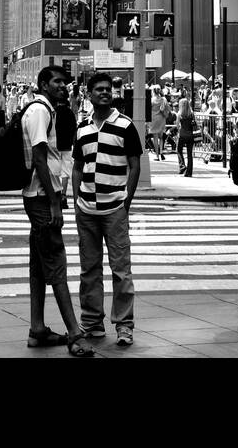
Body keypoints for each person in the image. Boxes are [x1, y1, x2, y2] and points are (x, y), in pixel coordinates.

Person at [21, 66, 94, 357]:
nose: (63, 86)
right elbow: (40, 158)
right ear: (43, 84)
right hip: (41, 198)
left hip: (37, 195)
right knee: (56, 265)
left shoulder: (43, 109)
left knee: (39, 267)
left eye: (65, 82)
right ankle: (76, 334)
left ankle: (37, 329)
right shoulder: (40, 111)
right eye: (57, 82)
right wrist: (54, 203)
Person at [72, 72, 142, 347]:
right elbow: (78, 165)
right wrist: (77, 197)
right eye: (98, 89)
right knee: (89, 269)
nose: (104, 92)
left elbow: (134, 165)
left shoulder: (125, 126)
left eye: (107, 89)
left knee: (121, 270)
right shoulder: (83, 128)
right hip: (86, 210)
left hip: (115, 209)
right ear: (89, 94)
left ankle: (124, 325)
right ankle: (91, 323)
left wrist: (127, 202)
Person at [55, 92, 78, 208]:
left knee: (54, 170)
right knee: (65, 171)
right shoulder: (70, 113)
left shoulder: (54, 112)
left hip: (55, 145)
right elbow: (74, 129)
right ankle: (63, 195)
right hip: (67, 146)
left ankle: (56, 194)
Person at [149, 83, 168, 161]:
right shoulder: (163, 99)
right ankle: (161, 152)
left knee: (155, 138)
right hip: (161, 118)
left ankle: (157, 155)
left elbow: (149, 109)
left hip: (154, 118)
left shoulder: (152, 100)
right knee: (161, 137)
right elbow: (166, 108)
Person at [176, 95, 195, 176]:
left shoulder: (180, 114)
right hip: (191, 135)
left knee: (179, 150)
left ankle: (182, 165)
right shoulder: (191, 113)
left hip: (182, 134)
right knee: (189, 154)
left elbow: (177, 126)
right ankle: (189, 172)